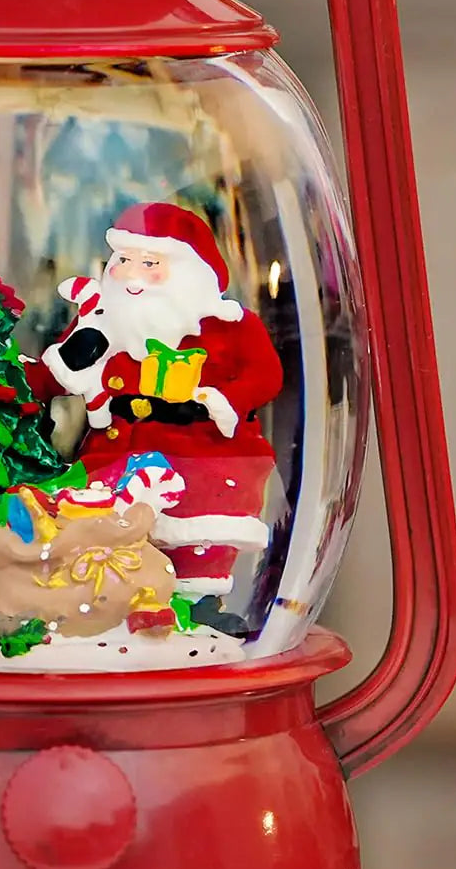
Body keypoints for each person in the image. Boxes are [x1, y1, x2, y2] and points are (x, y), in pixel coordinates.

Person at [26, 201, 284, 605]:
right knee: (105, 547)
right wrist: (8, 380)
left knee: (197, 545)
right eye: (124, 260)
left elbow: (265, 375)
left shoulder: (230, 326)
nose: (132, 274)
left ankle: (197, 604)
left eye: (149, 264)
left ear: (189, 273)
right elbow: (52, 376)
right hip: (114, 455)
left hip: (201, 460)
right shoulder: (101, 321)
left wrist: (224, 400)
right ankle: (114, 604)